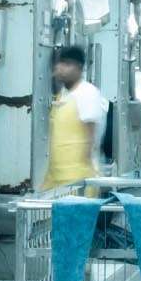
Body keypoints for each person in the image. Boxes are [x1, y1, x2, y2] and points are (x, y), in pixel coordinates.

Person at [45, 45, 110, 188]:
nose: (61, 68)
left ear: (79, 68)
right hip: (58, 178)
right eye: (59, 64)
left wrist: (83, 175)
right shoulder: (64, 95)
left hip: (80, 179)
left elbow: (90, 137)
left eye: (67, 64)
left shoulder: (87, 93)